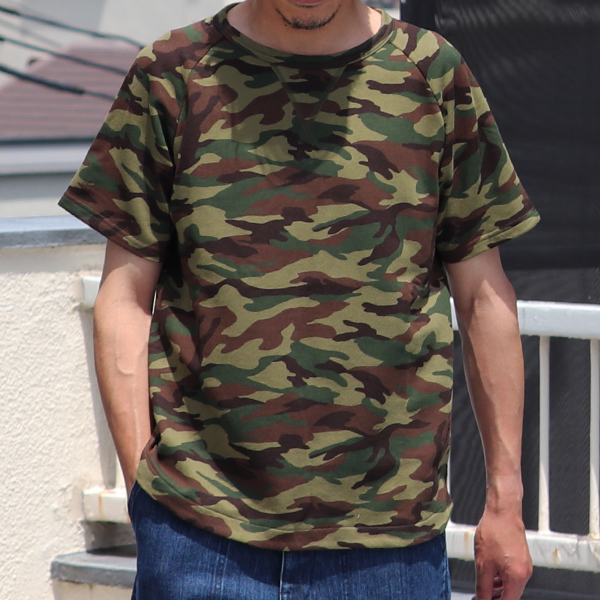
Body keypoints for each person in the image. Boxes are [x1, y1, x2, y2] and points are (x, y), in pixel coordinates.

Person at [59, 1, 539, 598]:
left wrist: (505, 501)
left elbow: (484, 300)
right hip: (200, 533)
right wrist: (143, 496)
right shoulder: (173, 72)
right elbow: (124, 298)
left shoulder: (431, 73)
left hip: (388, 545)